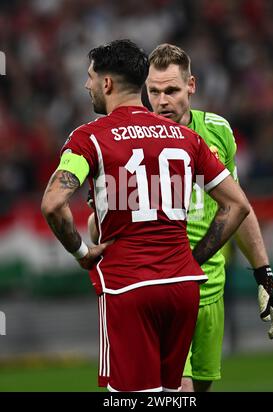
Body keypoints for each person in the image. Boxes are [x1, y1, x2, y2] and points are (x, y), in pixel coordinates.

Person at [41, 39, 250, 392]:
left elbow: (52, 203)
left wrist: (81, 252)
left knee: (130, 395)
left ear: (106, 84)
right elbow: (238, 205)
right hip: (183, 289)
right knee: (172, 395)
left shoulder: (89, 138)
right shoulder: (185, 138)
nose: (86, 85)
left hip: (129, 287)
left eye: (90, 77)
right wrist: (193, 259)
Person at [145, 43, 273, 392]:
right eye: (154, 92)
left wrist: (265, 276)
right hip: (163, 288)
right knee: (179, 390)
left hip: (211, 288)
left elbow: (240, 206)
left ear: (191, 85)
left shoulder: (218, 131)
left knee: (202, 387)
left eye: (172, 90)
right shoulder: (137, 141)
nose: (162, 102)